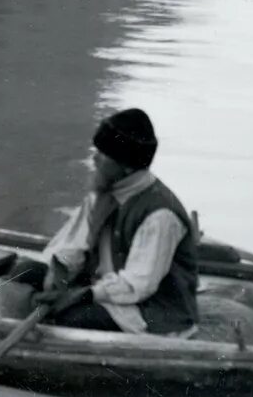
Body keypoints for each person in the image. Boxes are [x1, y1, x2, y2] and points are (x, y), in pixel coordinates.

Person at [19, 108, 203, 336]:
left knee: (68, 318)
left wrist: (84, 294)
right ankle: (2, 326)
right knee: (24, 271)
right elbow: (72, 246)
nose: (94, 159)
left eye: (103, 154)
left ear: (126, 166)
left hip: (146, 310)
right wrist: (58, 273)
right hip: (101, 288)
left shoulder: (160, 214)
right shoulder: (101, 194)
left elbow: (138, 285)